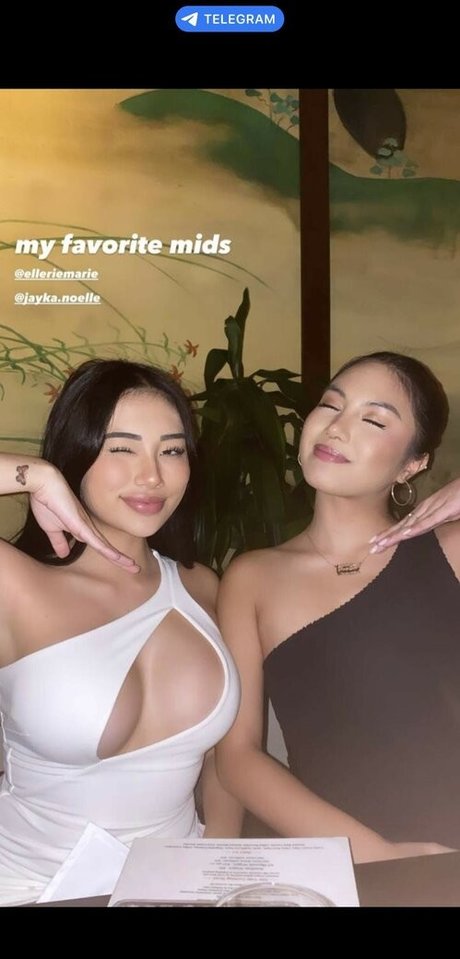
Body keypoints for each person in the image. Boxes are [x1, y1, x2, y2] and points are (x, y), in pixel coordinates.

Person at [0, 358, 241, 906]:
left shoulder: (202, 586)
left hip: (179, 886)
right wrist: (34, 476)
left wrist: (217, 871)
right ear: (77, 453)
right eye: (121, 448)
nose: (152, 476)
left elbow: (221, 763)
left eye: (172, 450)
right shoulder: (16, 583)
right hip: (32, 891)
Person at [216, 351, 460, 864]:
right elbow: (237, 757)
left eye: (374, 420)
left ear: (413, 463)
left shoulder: (449, 551)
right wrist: (379, 857)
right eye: (331, 405)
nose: (336, 428)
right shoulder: (252, 577)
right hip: (335, 864)